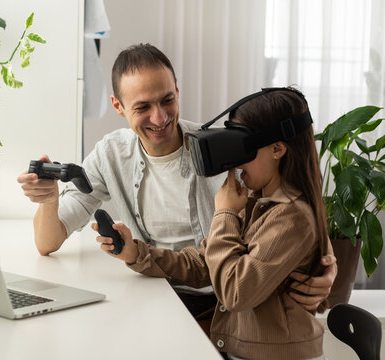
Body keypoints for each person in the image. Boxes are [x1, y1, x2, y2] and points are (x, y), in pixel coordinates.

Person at [17, 44, 335, 322]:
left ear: (177, 91)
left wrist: (324, 263)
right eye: (142, 107)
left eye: (167, 100)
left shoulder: (221, 151)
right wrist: (49, 200)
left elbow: (289, 210)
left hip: (222, 307)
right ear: (118, 106)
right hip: (154, 293)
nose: (160, 117)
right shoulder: (110, 154)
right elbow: (48, 243)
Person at [94, 87, 329, 359]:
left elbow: (235, 292)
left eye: (244, 146)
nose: (237, 158)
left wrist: (225, 213)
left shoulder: (292, 217)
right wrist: (138, 254)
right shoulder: (257, 203)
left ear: (277, 149)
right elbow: (205, 264)